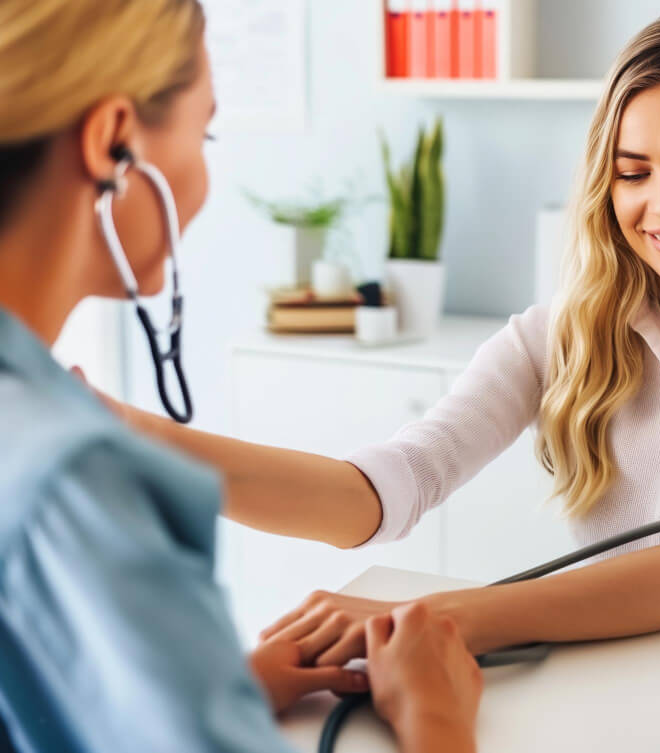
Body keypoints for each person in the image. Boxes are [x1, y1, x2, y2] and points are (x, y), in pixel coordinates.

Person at [117, 15, 660, 674]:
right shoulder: (559, 335)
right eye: (632, 172)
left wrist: (443, 617)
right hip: (596, 682)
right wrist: (138, 442)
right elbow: (383, 490)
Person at [0, 2, 482, 752]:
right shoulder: (78, 476)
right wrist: (435, 714)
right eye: (205, 132)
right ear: (112, 144)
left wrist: (215, 685)